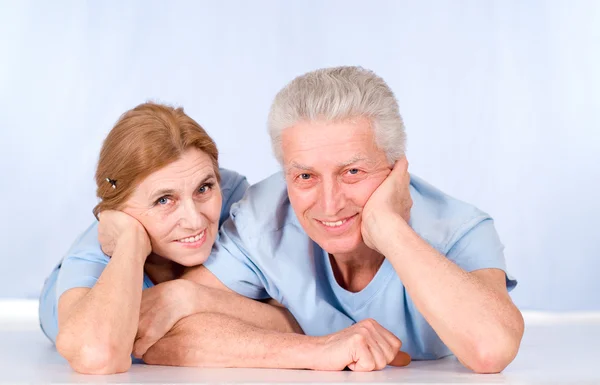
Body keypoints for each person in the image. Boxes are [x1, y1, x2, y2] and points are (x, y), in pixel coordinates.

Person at [117, 66, 524, 374]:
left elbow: (490, 349)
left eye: (353, 172)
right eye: (305, 176)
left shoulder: (458, 229)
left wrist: (389, 228)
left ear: (397, 170)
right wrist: (320, 350)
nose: (330, 204)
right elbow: (161, 334)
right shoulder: (264, 216)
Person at [38, 103, 303, 374]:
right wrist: (131, 241)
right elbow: (98, 355)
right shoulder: (91, 256)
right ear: (119, 210)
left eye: (204, 188)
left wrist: (190, 297)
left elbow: (302, 316)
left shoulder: (234, 201)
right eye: (164, 200)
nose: (195, 221)